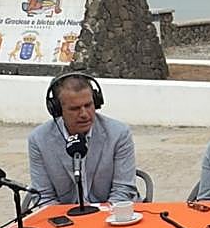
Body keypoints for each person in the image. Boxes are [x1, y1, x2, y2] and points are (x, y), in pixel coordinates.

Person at [28, 73, 138, 206]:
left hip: (112, 215)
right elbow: (43, 196)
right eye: (74, 109)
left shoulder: (119, 133)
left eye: (88, 105)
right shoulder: (39, 140)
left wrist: (96, 220)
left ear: (96, 102)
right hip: (65, 220)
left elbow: (123, 191)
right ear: (57, 109)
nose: (84, 114)